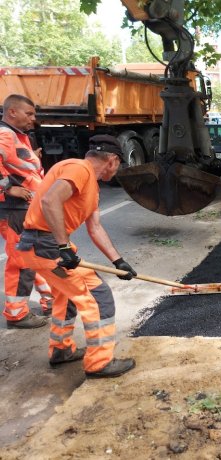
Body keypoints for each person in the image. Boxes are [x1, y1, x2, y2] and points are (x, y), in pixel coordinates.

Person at [16, 134, 137, 378]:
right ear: (112, 160)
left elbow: (95, 228)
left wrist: (119, 261)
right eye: (119, 165)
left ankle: (61, 349)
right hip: (47, 247)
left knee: (67, 296)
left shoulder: (90, 184)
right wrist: (62, 247)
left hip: (43, 247)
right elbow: (50, 200)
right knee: (98, 296)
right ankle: (99, 363)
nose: (117, 170)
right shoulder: (79, 168)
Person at [0, 94, 54, 328]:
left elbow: (17, 165)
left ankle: (50, 298)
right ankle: (16, 313)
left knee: (33, 255)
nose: (34, 119)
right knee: (21, 260)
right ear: (12, 112)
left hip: (23, 208)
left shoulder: (17, 135)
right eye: (29, 114)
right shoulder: (5, 134)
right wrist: (10, 188)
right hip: (14, 210)